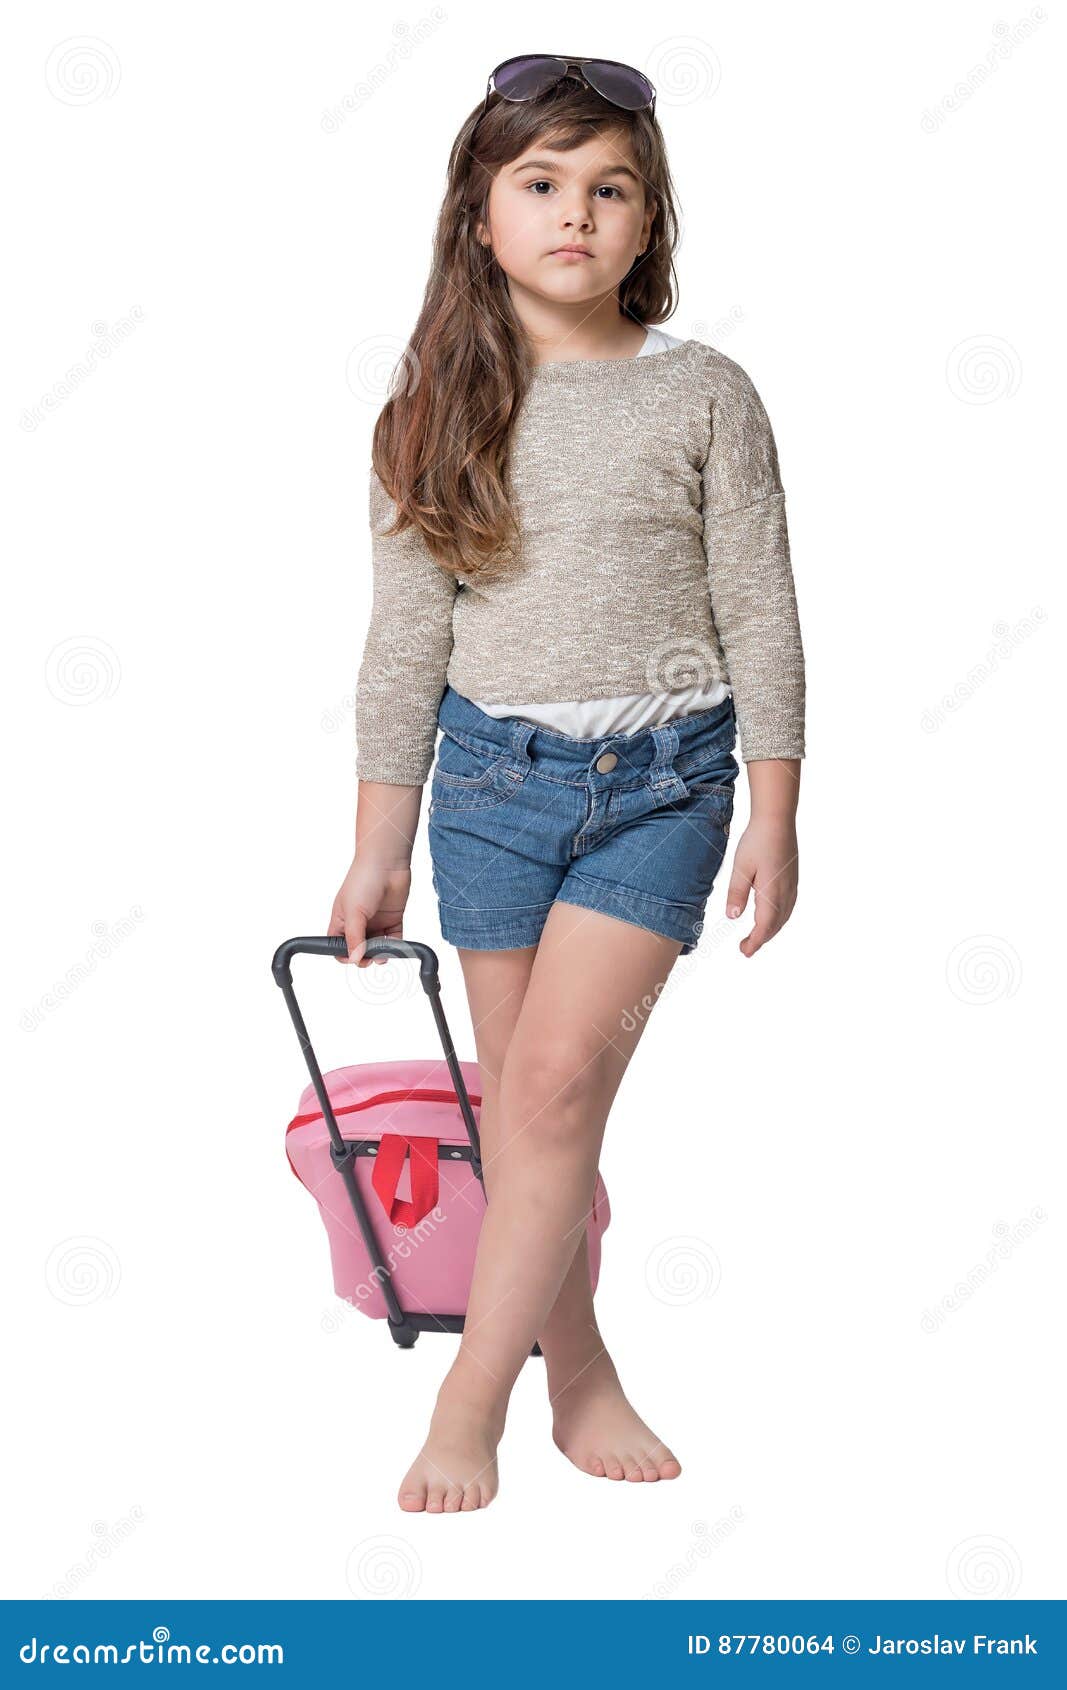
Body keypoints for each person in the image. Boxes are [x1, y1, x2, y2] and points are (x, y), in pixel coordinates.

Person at [329, 55, 806, 1513]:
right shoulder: (429, 408)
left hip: (662, 786)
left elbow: (764, 607)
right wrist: (375, 846)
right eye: (541, 185)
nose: (576, 215)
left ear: (650, 222)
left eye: (611, 190)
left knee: (544, 1090)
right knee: (531, 1117)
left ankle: (468, 1399)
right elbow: (402, 645)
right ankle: (579, 1370)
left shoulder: (705, 394)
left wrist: (777, 811)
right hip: (488, 789)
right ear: (480, 214)